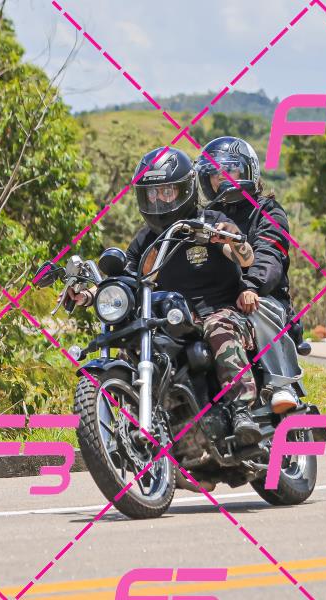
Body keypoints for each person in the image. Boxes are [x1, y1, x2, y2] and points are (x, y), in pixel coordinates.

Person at [68, 147, 264, 445]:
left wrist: (229, 239)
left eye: (167, 192)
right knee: (132, 343)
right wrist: (88, 294)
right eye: (152, 194)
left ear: (185, 189)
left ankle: (241, 410)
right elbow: (124, 278)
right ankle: (143, 419)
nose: (159, 200)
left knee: (218, 328)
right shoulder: (147, 238)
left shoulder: (211, 220)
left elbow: (246, 258)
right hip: (175, 319)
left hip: (222, 311)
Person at [194, 136, 302, 414]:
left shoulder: (267, 211)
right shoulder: (206, 216)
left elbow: (270, 253)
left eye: (230, 169)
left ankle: (281, 383)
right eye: (215, 172)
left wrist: (251, 285)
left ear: (248, 170)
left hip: (263, 296)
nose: (222, 177)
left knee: (254, 306)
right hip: (217, 302)